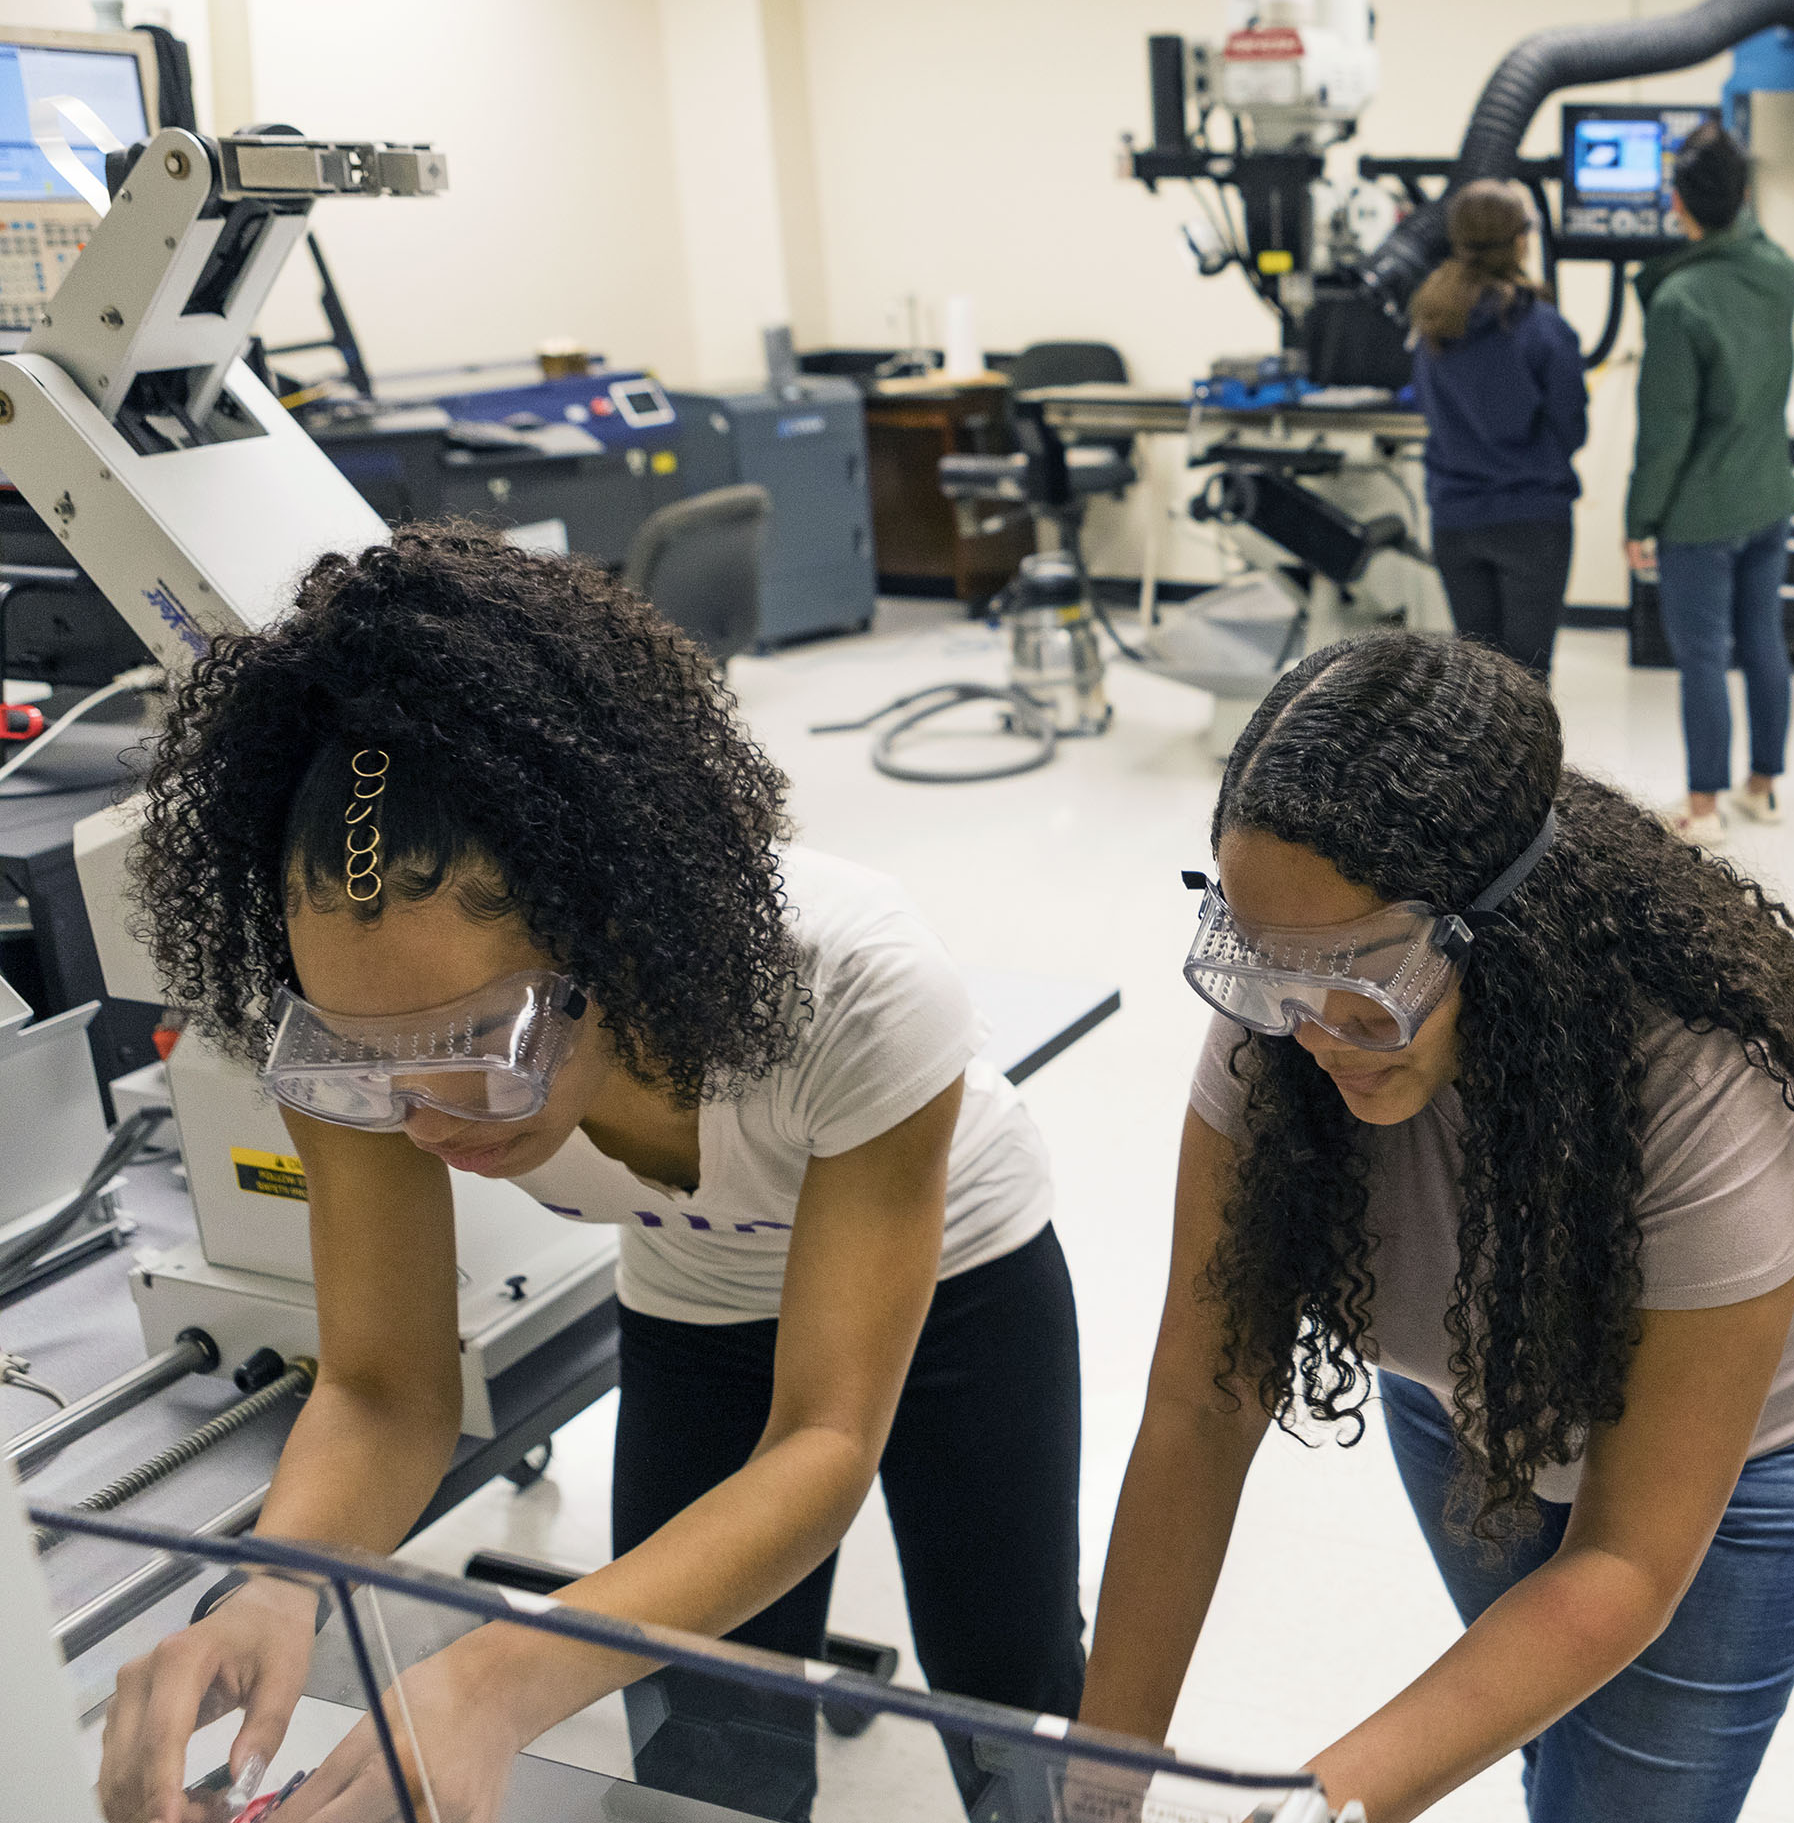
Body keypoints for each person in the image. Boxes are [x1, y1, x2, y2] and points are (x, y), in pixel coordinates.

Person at [97, 523, 1084, 1823]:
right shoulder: (356, 1020)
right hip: (693, 1290)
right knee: (704, 1740)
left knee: (1005, 1688)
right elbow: (387, 1387)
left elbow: (826, 1441)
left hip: (960, 1264)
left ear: (613, 931)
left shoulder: (855, 989)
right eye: (362, 1060)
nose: (420, 1116)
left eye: (470, 1051)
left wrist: (497, 1678)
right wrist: (279, 1580)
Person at [1080, 631, 1794, 1823]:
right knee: (1541, 1725)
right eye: (1268, 966)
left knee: (1618, 1797)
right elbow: (1203, 1402)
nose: (1309, 1029)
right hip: (1475, 1397)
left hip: (1737, 1470)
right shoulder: (1292, 1006)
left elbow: (1623, 1560)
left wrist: (1317, 1803)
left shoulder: (1698, 1075)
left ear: (1497, 929)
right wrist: (1098, 1785)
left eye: (1362, 977)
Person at [1624, 123, 1794, 846]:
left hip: (1701, 511)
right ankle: (1763, 785)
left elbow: (1665, 434)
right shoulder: (1782, 271)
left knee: (1702, 655)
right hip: (1768, 492)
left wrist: (1639, 520)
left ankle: (1703, 806)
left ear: (1677, 203)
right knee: (1764, 638)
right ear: (1747, 195)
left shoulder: (1680, 302)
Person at [1408, 179, 1589, 678]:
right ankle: (1529, 761)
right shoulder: (1545, 329)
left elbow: (1428, 410)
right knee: (1527, 680)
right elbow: (1571, 428)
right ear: (1520, 240)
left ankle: (1480, 761)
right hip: (1533, 520)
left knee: (1478, 683)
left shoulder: (1432, 327)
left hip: (1456, 521)